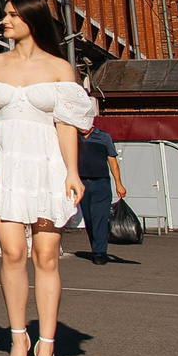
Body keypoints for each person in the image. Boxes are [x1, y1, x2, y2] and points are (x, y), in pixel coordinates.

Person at [0, 0, 98, 356]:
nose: (5, 21)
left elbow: (66, 125)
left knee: (46, 256)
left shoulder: (60, 68)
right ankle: (18, 341)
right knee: (13, 253)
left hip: (47, 168)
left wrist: (72, 173)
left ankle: (46, 348)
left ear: (32, 19)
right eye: (5, 14)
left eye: (12, 15)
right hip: (7, 167)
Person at [77, 103, 126, 264]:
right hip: (82, 183)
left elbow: (112, 161)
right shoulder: (73, 137)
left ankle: (100, 253)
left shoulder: (103, 137)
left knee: (100, 217)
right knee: (89, 219)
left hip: (101, 183)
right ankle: (95, 248)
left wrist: (119, 184)